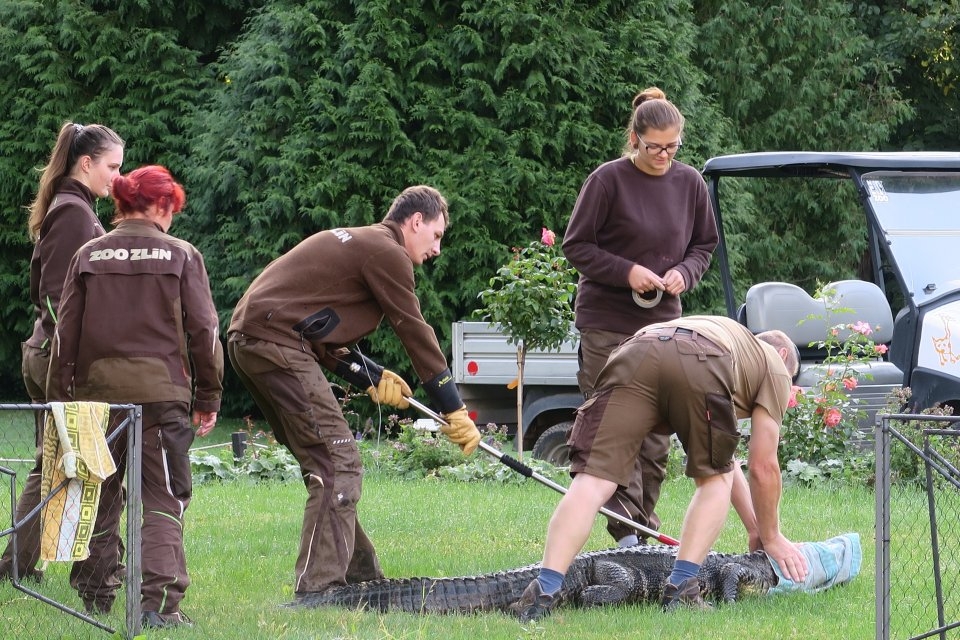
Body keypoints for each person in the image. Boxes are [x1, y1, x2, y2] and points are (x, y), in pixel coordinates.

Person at [227, 184, 482, 601]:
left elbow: (316, 334)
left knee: (324, 463)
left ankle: (361, 575)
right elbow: (414, 329)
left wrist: (371, 375)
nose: (437, 249)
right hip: (274, 343)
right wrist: (453, 407)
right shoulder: (388, 252)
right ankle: (320, 589)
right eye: (436, 235)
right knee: (338, 462)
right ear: (415, 221)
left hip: (253, 341)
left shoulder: (360, 241)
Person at [510, 315, 810, 621]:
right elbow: (763, 465)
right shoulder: (774, 363)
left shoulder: (736, 347)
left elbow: (726, 458)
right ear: (784, 354)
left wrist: (754, 528)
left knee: (594, 481)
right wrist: (772, 538)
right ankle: (682, 590)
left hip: (634, 350)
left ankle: (543, 592)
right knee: (713, 481)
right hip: (700, 355)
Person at [46, 165, 224, 629]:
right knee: (163, 497)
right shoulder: (181, 254)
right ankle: (158, 605)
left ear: (122, 204)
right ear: (163, 205)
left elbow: (65, 336)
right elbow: (204, 332)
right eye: (173, 209)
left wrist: (58, 402)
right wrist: (208, 394)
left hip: (96, 397)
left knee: (101, 492)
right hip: (162, 396)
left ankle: (97, 596)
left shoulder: (88, 254)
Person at [562, 87, 719, 547]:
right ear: (635, 138)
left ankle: (639, 530)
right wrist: (627, 271)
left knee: (654, 435)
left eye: (673, 147)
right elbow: (577, 246)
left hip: (664, 328)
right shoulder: (607, 181)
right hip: (607, 326)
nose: (664, 155)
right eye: (655, 147)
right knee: (613, 429)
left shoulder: (690, 183)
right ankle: (627, 534)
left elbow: (704, 246)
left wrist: (683, 275)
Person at [0, 122, 124, 583]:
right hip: (55, 357)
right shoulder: (73, 212)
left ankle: (18, 564)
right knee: (84, 464)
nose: (117, 176)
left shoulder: (73, 206)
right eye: (112, 166)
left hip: (47, 351)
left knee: (54, 466)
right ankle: (88, 571)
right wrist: (72, 357)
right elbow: (55, 295)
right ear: (86, 163)